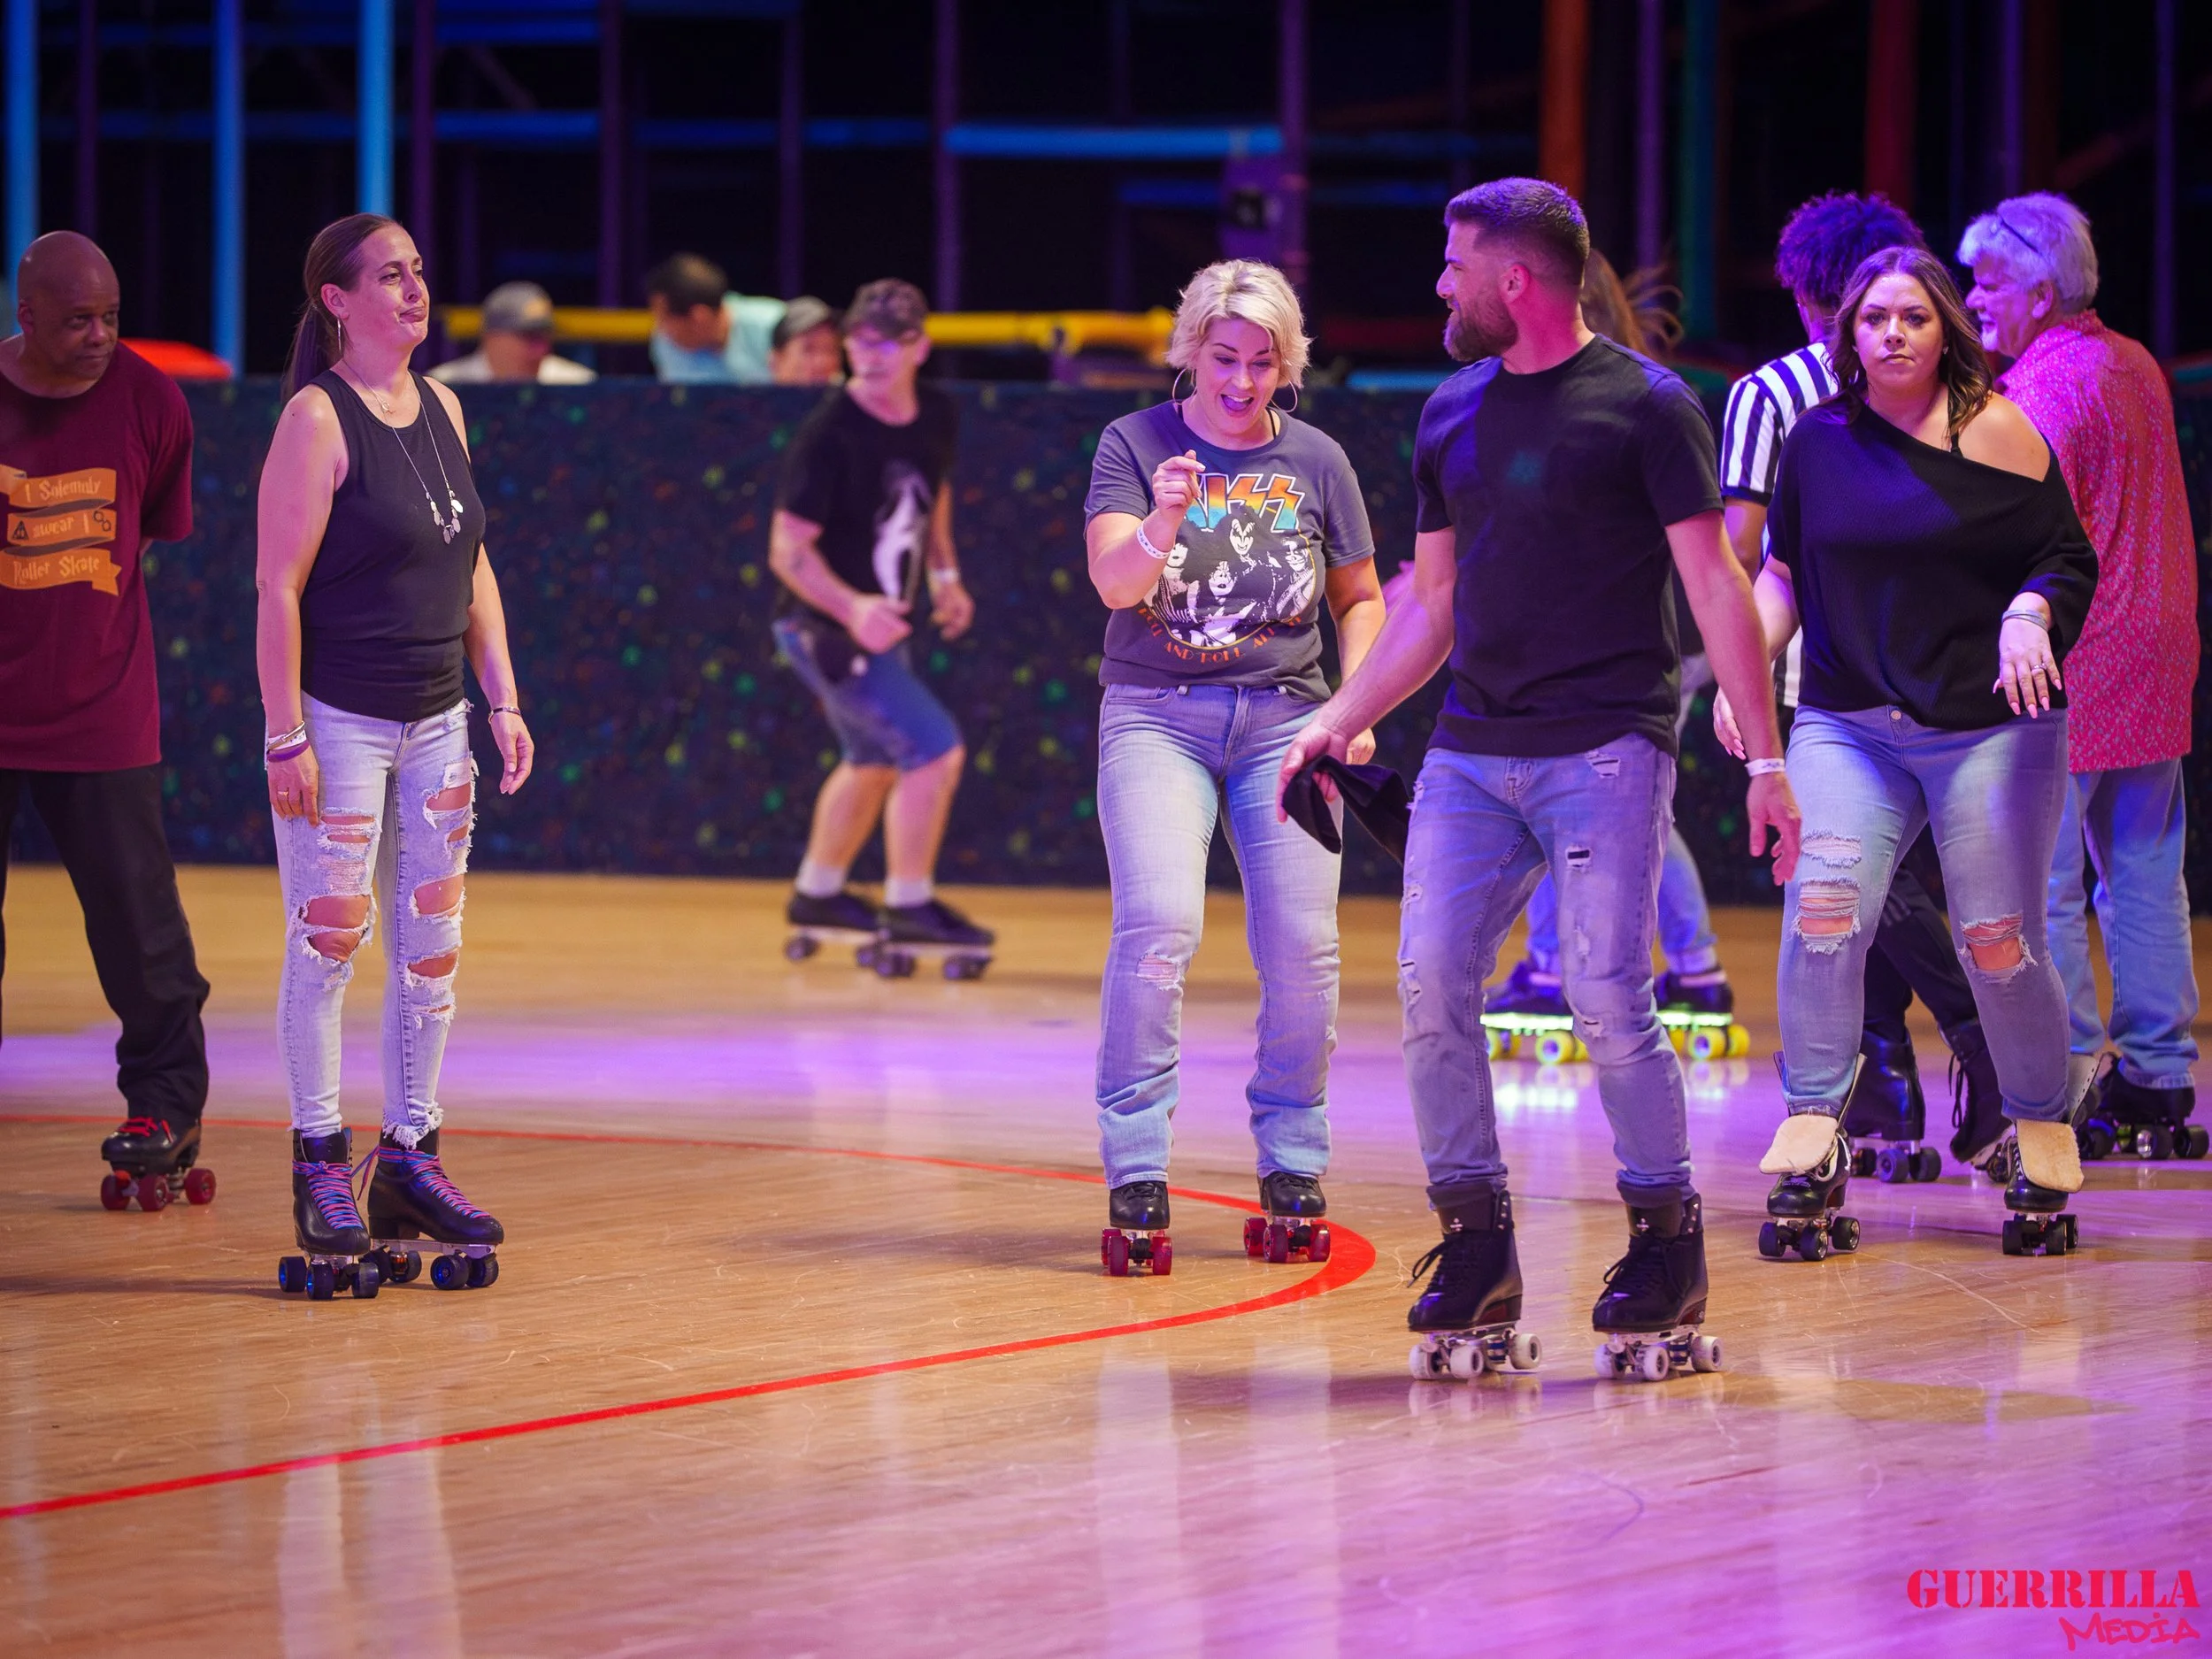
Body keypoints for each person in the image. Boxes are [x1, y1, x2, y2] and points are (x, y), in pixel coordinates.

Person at [1280, 179, 1799, 1373]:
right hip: (1471, 750)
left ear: (1515, 278)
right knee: (1430, 988)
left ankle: (1665, 1245)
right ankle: (1478, 1247)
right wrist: (1339, 717)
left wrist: (1764, 755)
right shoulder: (1449, 411)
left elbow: (1715, 588)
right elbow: (1434, 608)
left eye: (1455, 264)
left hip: (1607, 743)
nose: (1439, 285)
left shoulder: (1649, 408)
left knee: (1612, 997)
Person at [1717, 245, 2100, 1256]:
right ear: (1847, 333)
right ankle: (1812, 1130)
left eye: (1913, 318)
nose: (1891, 333)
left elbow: (2065, 555)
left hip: (1988, 728)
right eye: (1873, 318)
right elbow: (1784, 576)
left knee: (1995, 938)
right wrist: (1741, 671)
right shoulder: (1815, 442)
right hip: (1849, 723)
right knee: (1825, 911)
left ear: (1944, 334)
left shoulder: (1996, 431)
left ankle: (2038, 1124)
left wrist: (2029, 613)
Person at [1082, 259, 1384, 1263]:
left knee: (1302, 950)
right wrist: (1166, 517)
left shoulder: (1318, 460)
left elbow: (1361, 598)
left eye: (1263, 362)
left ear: (1286, 363)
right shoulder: (1134, 443)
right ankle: (1135, 1169)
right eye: (1224, 358)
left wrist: (1357, 704)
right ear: (1191, 352)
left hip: (1286, 725)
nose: (1242, 380)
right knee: (1159, 926)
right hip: (1156, 716)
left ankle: (1292, 1159)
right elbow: (1116, 585)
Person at [256, 213, 535, 1289]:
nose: (415, 290)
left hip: (437, 721)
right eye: (389, 276)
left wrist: (500, 698)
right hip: (339, 720)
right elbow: (276, 588)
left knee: (429, 957)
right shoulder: (313, 422)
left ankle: (410, 1160)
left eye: (420, 271)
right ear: (336, 298)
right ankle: (321, 1160)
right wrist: (285, 733)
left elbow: (472, 562)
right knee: (328, 942)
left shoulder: (447, 407)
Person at [1719, 191, 2003, 1177]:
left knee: (1854, 885)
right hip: (1932, 667)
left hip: (1818, 679)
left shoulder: (1769, 393)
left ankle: (1968, 1050)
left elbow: (1743, 555)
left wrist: (1735, 671)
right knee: (1871, 888)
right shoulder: (1959, 392)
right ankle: (1881, 1090)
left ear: (1806, 295)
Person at [1960, 193, 2205, 1162]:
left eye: (1984, 281)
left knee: (2045, 884)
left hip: (2074, 656)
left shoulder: (2046, 385)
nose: (1971, 299)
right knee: (2145, 869)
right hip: (2158, 644)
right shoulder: (2136, 361)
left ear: (2038, 287)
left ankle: (2057, 1078)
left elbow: (2017, 529)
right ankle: (2157, 1075)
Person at [0, 231, 212, 1207]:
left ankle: (164, 1108)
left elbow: (153, 535)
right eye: (78, 320)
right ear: (26, 316)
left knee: (139, 927)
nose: (98, 337)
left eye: (112, 318)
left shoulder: (147, 399)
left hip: (101, 710)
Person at [1488, 249, 1733, 1033]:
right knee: (1626, 807)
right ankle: (1695, 967)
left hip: (1650, 635)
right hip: (1663, 633)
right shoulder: (1633, 388)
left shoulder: (1620, 401)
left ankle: (1559, 964)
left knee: (1585, 803)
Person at [770, 281, 991, 956]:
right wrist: (852, 606)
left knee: (870, 757)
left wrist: (944, 576)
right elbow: (787, 550)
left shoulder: (935, 413)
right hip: (824, 631)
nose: (870, 354)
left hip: (878, 629)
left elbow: (933, 491)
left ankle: (820, 892)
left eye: (888, 341)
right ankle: (909, 903)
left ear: (918, 347)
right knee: (933, 751)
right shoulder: (831, 433)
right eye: (860, 340)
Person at [645, 253, 787, 386]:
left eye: (665, 319)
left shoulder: (777, 326)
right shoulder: (665, 344)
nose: (661, 329)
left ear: (699, 317)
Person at [430, 281, 595, 386]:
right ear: (492, 338)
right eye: (529, 337)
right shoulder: (444, 387)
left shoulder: (576, 385)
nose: (541, 350)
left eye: (545, 337)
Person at [769, 296, 842, 387]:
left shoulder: (847, 399)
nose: (822, 363)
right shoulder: (749, 399)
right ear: (775, 361)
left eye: (830, 350)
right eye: (808, 350)